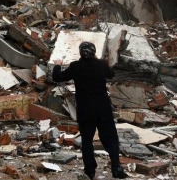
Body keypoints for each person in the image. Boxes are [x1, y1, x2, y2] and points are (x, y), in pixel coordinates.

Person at [52, 42, 128, 180]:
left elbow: (57, 78)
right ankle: (116, 167)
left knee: (87, 141)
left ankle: (90, 171)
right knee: (110, 138)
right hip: (103, 109)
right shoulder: (101, 65)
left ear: (81, 52)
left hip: (85, 110)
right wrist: (99, 61)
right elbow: (111, 74)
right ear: (93, 52)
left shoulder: (75, 66)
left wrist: (57, 65)